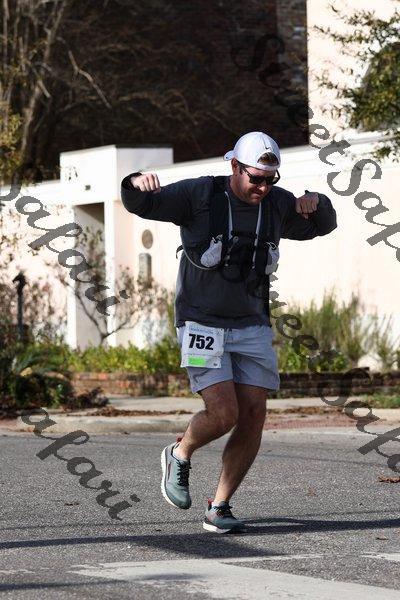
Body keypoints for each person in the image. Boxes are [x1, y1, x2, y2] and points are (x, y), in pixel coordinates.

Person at [121, 131, 337, 534]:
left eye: (270, 180)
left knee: (253, 415)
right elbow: (141, 203)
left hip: (252, 324)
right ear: (235, 166)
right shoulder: (200, 195)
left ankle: (219, 506)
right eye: (256, 178)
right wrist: (135, 182)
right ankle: (180, 452)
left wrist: (317, 202)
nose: (263, 188)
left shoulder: (276, 204)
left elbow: (323, 226)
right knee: (223, 413)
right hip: (201, 321)